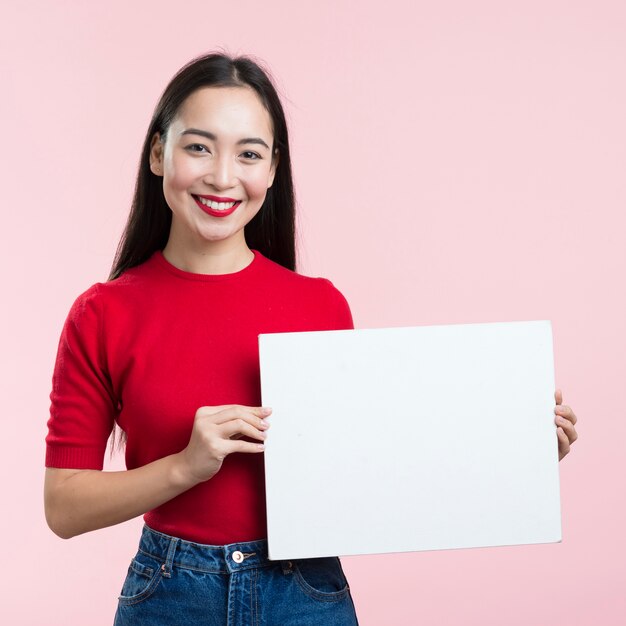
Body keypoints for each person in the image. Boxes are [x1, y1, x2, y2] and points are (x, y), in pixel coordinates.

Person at [43, 52, 579, 626]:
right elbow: (64, 506)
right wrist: (184, 467)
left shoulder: (319, 305)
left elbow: (372, 469)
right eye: (199, 146)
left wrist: (512, 452)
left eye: (249, 154)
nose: (223, 176)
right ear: (158, 154)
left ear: (273, 171)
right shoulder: (102, 314)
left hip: (304, 591)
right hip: (172, 593)